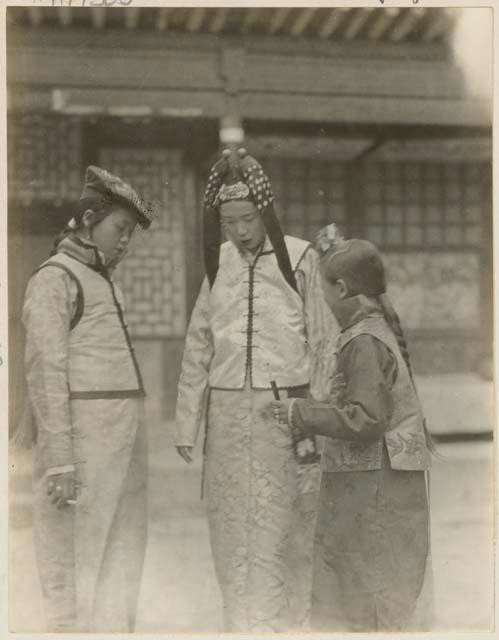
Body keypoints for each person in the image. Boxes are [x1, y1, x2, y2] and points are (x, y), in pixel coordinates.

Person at [174, 148, 336, 632]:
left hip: (284, 412)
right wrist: (187, 420)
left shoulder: (301, 259)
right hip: (225, 416)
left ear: (265, 213)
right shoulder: (217, 263)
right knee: (229, 530)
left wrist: (319, 413)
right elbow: (198, 342)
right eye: (228, 224)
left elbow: (323, 341)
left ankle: (284, 625)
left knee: (283, 527)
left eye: (247, 219)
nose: (239, 232)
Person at [271, 231, 434, 632]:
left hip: (374, 486)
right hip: (382, 482)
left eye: (324, 290)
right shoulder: (375, 331)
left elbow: (365, 419)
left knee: (365, 593)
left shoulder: (363, 342)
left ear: (340, 288)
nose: (323, 300)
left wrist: (301, 413)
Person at [21, 165, 153, 632]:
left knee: (121, 558)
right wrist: (60, 459)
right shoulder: (55, 279)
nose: (125, 242)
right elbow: (46, 373)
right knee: (74, 560)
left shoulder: (102, 279)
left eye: (130, 234)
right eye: (120, 229)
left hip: (121, 441)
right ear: (89, 218)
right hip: (83, 445)